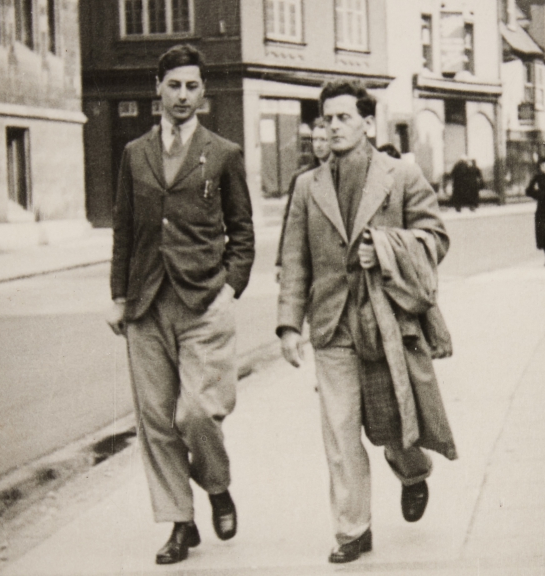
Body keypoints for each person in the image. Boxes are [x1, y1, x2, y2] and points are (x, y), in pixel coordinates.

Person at [277, 80, 457, 564]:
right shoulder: (306, 186)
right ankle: (353, 530)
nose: (333, 127)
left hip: (384, 322)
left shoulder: (400, 176)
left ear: (367, 123)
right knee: (339, 430)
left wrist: (386, 247)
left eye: (343, 118)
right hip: (331, 325)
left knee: (395, 421)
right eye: (327, 119)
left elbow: (435, 238)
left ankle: (413, 471)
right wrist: (290, 325)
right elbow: (295, 261)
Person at [106, 44, 255, 566]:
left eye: (193, 86)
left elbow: (242, 231)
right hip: (146, 303)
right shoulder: (134, 154)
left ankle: (216, 485)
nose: (184, 96)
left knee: (195, 413)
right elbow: (124, 228)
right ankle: (179, 522)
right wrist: (119, 296)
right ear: (158, 89)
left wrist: (229, 286)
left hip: (203, 302)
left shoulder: (223, 153)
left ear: (204, 93)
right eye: (175, 85)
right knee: (156, 421)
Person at [276, 118, 331, 269]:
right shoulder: (302, 177)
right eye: (315, 140)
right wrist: (281, 261)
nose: (318, 145)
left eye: (324, 140)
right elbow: (290, 220)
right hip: (310, 251)